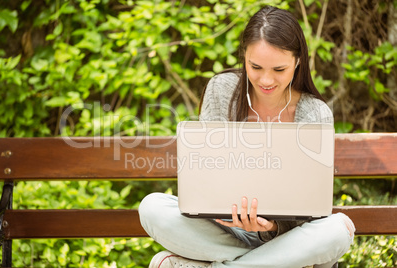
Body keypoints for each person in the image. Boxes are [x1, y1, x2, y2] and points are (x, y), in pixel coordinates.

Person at [139, 5, 355, 268]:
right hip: (226, 231)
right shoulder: (222, 90)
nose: (266, 80)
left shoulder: (315, 114)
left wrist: (272, 225)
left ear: (298, 62)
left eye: (279, 69)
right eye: (255, 67)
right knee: (152, 208)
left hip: (288, 238)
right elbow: (205, 174)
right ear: (244, 58)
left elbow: (313, 213)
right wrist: (220, 207)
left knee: (339, 229)